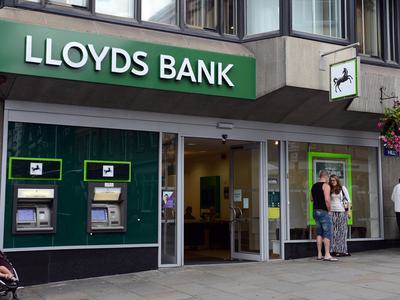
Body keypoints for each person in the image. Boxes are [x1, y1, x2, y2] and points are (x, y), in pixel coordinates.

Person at [311, 170, 337, 261]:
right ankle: (327, 254)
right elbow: (327, 199)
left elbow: (311, 199)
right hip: (323, 211)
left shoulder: (313, 186)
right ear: (326, 176)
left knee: (319, 233)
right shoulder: (326, 186)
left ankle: (319, 254)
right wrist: (329, 210)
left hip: (315, 211)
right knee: (327, 233)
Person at [329, 175, 351, 257]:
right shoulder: (329, 189)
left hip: (341, 211)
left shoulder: (342, 188)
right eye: (331, 180)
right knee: (333, 232)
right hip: (332, 212)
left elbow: (348, 200)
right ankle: (334, 250)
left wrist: (349, 212)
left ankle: (342, 250)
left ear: (337, 180)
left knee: (342, 231)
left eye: (334, 180)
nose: (332, 182)